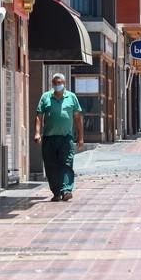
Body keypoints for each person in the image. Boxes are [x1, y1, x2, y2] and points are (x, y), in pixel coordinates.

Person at [33, 73, 84, 202]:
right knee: (51, 166)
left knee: (67, 164)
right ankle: (56, 192)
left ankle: (66, 190)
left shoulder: (71, 97)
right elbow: (39, 116)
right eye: (55, 83)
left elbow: (77, 118)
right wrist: (37, 133)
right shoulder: (45, 97)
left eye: (59, 83)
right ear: (52, 84)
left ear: (64, 83)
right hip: (49, 138)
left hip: (66, 138)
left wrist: (80, 137)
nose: (57, 85)